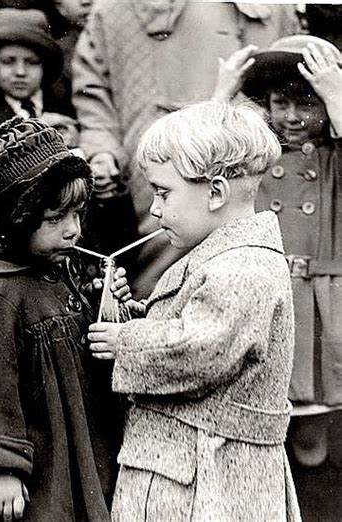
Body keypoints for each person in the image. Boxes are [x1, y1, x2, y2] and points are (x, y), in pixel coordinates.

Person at [88, 100, 301, 520]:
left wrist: (125, 341)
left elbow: (201, 349)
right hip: (188, 469)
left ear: (216, 192)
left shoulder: (245, 266)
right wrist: (128, 313)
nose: (155, 209)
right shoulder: (212, 254)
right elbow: (185, 324)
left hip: (211, 480)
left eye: (164, 193)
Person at [0, 117, 128, 521]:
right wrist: (2, 465)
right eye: (56, 219)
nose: (73, 231)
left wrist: (106, 304)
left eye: (78, 213)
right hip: (28, 459)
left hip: (69, 443)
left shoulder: (57, 269)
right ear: (15, 220)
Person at [73, 1, 300, 299]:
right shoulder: (116, 9)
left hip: (258, 165)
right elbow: (92, 91)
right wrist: (102, 150)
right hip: (159, 162)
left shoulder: (274, 8)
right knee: (164, 267)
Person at [214, 35, 342, 471]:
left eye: (307, 104)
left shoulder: (332, 160)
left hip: (319, 303)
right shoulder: (253, 155)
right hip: (263, 294)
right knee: (260, 416)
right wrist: (222, 93)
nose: (291, 117)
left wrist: (335, 92)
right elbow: (203, 154)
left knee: (310, 433)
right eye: (280, 103)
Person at [0, 7, 66, 142]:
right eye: (8, 62)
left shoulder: (64, 103)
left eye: (32, 62)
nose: (20, 72)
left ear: (45, 66)